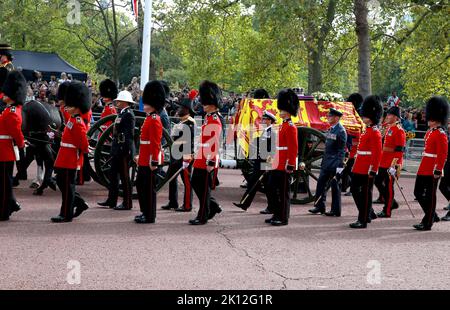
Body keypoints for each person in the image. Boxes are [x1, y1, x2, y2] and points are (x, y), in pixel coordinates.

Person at [51, 81, 90, 222]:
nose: (67, 108)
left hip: (70, 159)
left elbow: (83, 143)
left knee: (67, 187)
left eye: (70, 106)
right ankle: (78, 203)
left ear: (78, 107)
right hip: (64, 157)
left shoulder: (78, 122)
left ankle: (66, 214)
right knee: (62, 183)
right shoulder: (72, 120)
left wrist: (82, 153)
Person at [233, 88, 274, 213]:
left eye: (265, 119)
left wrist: (268, 165)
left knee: (268, 186)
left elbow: (272, 150)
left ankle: (271, 207)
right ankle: (244, 204)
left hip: (266, 162)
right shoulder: (264, 131)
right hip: (258, 161)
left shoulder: (273, 132)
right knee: (253, 182)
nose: (262, 121)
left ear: (270, 121)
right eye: (263, 119)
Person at [188, 81, 223, 225]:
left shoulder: (214, 119)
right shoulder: (208, 117)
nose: (203, 104)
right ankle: (212, 206)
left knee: (202, 187)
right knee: (196, 183)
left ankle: (202, 215)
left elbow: (214, 144)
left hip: (207, 158)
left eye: (205, 102)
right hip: (201, 156)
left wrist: (210, 161)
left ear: (212, 103)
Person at [413, 97, 448, 230]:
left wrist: (438, 169)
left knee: (430, 195)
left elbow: (442, 154)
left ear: (437, 118)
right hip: (424, 167)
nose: (427, 119)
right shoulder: (430, 132)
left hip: (432, 168)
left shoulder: (440, 133)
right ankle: (431, 214)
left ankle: (428, 221)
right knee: (418, 192)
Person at [265, 89, 298, 226]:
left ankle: (283, 217)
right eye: (281, 109)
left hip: (284, 164)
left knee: (283, 192)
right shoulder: (282, 125)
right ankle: (276, 213)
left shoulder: (291, 127)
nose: (281, 112)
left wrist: (290, 164)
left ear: (289, 111)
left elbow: (293, 148)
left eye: (283, 110)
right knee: (272, 189)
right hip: (277, 161)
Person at [97, 90, 135, 210]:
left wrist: (126, 150)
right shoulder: (122, 113)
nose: (117, 102)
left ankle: (127, 202)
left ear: (125, 102)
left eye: (119, 100)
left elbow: (129, 135)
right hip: (116, 149)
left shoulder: (128, 114)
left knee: (124, 177)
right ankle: (111, 200)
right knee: (113, 176)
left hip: (123, 150)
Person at [134, 81, 165, 224]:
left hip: (149, 160)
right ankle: (144, 212)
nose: (144, 104)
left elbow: (155, 143)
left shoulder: (155, 119)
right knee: (141, 186)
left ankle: (150, 215)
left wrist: (154, 161)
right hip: (144, 158)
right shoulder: (149, 118)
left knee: (148, 188)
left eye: (146, 102)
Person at [349, 95, 383, 229]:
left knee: (364, 193)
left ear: (372, 116)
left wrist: (373, 169)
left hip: (367, 167)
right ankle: (367, 214)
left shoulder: (375, 132)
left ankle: (362, 219)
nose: (363, 117)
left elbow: (377, 153)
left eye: (366, 115)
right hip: (360, 165)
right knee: (356, 190)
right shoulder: (367, 130)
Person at [308, 108, 347, 217]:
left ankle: (335, 210)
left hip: (335, 163)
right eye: (328, 116)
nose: (328, 117)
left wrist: (340, 165)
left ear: (337, 118)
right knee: (321, 184)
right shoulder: (332, 129)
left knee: (335, 187)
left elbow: (341, 150)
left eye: (330, 116)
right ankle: (319, 206)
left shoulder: (341, 131)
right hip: (326, 162)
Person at [161, 95, 196, 212]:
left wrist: (186, 159)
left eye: (181, 108)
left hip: (184, 156)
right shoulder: (182, 121)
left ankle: (187, 205)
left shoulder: (189, 123)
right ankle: (173, 202)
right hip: (176, 154)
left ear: (187, 109)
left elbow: (188, 143)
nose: (178, 110)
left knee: (187, 181)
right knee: (172, 178)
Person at [0, 71, 26, 221]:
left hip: (5, 150)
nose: (3, 94)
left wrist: (22, 144)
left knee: (4, 183)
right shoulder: (8, 110)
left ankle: (4, 211)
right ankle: (10, 204)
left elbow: (16, 132)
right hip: (3, 149)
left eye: (6, 93)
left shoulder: (12, 112)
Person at [374, 106, 406, 218]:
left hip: (392, 163)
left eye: (390, 115)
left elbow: (399, 150)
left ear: (396, 117)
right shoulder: (388, 128)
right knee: (377, 181)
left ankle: (387, 210)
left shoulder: (399, 130)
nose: (387, 116)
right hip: (383, 161)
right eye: (387, 115)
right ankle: (391, 202)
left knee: (388, 187)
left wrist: (394, 165)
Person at [341, 93, 364, 195]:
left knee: (350, 168)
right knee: (347, 168)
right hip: (350, 143)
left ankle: (353, 187)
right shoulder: (353, 112)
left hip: (355, 145)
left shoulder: (359, 114)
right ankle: (345, 186)